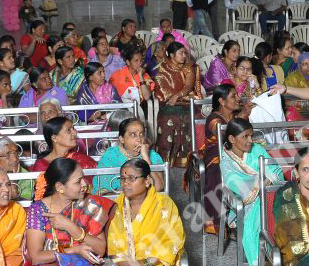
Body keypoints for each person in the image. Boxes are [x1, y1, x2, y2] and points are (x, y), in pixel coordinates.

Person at [220, 119, 283, 266]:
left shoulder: (258, 150)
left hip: (270, 193)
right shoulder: (226, 161)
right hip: (245, 202)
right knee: (251, 223)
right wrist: (260, 184)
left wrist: (267, 182)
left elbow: (276, 171)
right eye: (245, 137)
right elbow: (234, 182)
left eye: (251, 136)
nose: (250, 140)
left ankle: (273, 263)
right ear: (232, 139)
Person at [198, 85, 243, 233]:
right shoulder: (213, 119)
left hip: (235, 152)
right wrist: (243, 117)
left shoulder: (234, 117)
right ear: (222, 101)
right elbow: (224, 137)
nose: (238, 98)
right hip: (216, 155)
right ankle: (215, 222)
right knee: (218, 171)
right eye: (233, 96)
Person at [154, 40, 205, 168]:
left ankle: (187, 161)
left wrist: (177, 96)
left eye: (185, 53)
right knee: (168, 118)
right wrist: (173, 98)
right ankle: (165, 161)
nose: (184, 56)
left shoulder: (188, 68)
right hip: (169, 105)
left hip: (186, 103)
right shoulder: (162, 70)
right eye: (181, 53)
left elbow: (188, 86)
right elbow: (163, 92)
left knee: (188, 117)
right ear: (172, 55)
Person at [94, 117, 165, 194]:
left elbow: (159, 187)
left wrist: (146, 157)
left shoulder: (153, 156)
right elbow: (101, 190)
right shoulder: (111, 155)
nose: (139, 139)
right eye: (133, 135)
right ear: (122, 139)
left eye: (141, 134)